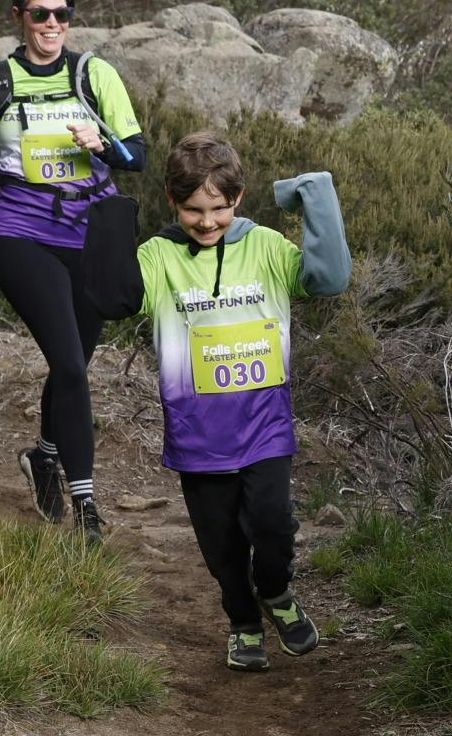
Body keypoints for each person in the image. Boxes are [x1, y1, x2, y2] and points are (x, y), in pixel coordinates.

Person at [0, 0, 145, 542]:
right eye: (39, 15)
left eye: (62, 15)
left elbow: (137, 156)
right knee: (72, 366)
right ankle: (87, 506)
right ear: (18, 17)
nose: (52, 25)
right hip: (24, 234)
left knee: (72, 363)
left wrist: (101, 143)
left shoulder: (95, 76)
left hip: (94, 236)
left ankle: (43, 456)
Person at [132, 133, 350, 671]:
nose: (207, 222)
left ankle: (275, 592)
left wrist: (315, 195)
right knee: (222, 545)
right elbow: (117, 297)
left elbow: (329, 280)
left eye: (219, 209)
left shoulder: (267, 247)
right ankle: (243, 620)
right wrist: (108, 219)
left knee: (273, 524)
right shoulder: (158, 256)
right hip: (197, 432)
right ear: (171, 201)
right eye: (193, 210)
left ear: (239, 197)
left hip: (264, 424)